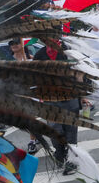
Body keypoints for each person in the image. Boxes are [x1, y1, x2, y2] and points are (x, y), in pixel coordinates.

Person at [34, 39, 80, 174]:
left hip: (70, 97)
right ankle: (60, 153)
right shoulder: (39, 55)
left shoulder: (69, 52)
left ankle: (71, 161)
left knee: (71, 131)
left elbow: (80, 73)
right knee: (56, 130)